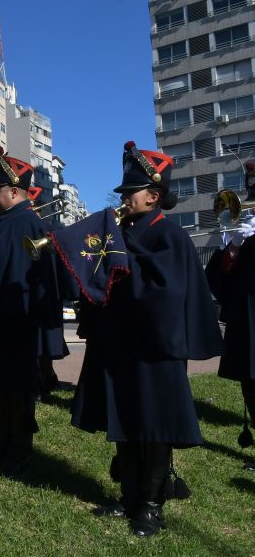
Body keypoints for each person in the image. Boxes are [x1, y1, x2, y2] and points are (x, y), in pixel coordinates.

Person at [71, 141, 223, 537]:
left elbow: (166, 293)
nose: (124, 199)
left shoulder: (168, 236)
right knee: (125, 422)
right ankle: (129, 497)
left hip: (156, 348)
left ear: (153, 196)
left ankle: (152, 507)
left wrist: (122, 263)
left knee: (154, 427)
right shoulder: (119, 234)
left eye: (131, 193)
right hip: (120, 345)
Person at [0, 147, 66, 476]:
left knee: (19, 390)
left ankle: (19, 450)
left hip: (20, 324)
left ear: (15, 191)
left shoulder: (34, 226)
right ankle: (1, 444)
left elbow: (46, 283)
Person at [206, 160, 255, 471]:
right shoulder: (245, 231)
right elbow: (220, 280)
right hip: (247, 320)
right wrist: (233, 249)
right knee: (250, 385)